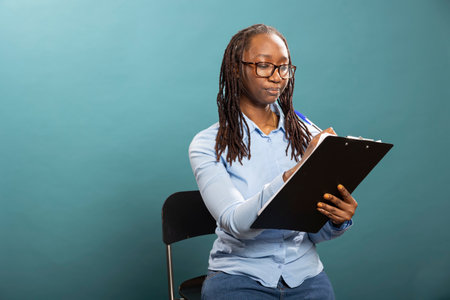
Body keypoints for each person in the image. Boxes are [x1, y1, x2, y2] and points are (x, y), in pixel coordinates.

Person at [189, 24, 358, 300]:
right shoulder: (208, 144)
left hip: (306, 277)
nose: (278, 77)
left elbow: (313, 234)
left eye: (284, 67)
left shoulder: (306, 134)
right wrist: (300, 170)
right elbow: (235, 223)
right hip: (239, 279)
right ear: (235, 68)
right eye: (265, 66)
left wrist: (335, 220)